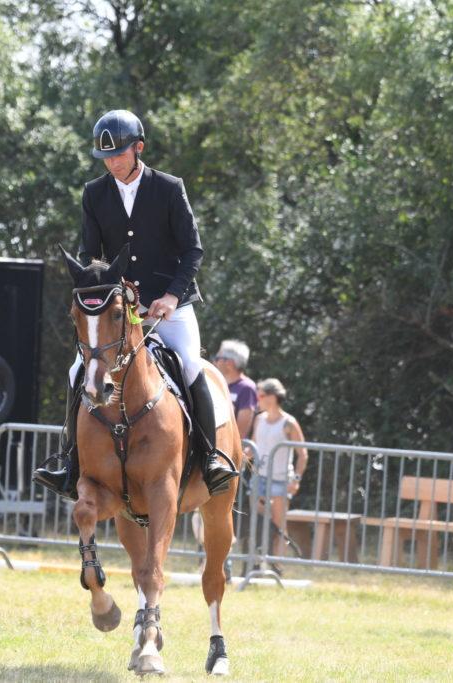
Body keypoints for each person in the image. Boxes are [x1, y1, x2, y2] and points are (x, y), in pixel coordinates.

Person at [33, 109, 239, 500]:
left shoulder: (168, 187)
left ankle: (211, 457)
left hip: (170, 307)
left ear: (138, 148)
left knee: (193, 365)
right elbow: (91, 254)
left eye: (120, 154)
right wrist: (101, 292)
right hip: (120, 311)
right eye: (106, 157)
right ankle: (68, 461)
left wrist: (171, 297)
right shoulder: (95, 193)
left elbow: (192, 250)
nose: (112, 163)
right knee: (78, 368)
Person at [252, 378, 308, 555]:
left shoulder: (289, 423)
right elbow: (252, 448)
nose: (257, 399)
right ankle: (258, 563)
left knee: (279, 526)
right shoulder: (259, 420)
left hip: (280, 480)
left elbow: (303, 454)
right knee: (258, 525)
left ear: (272, 397)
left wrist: (296, 480)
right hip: (259, 478)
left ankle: (277, 565)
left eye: (260, 395)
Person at [213, 340, 257, 439]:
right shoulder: (217, 383)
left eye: (217, 358)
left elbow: (241, 432)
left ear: (229, 363)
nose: (214, 362)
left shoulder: (247, 387)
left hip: (227, 450)